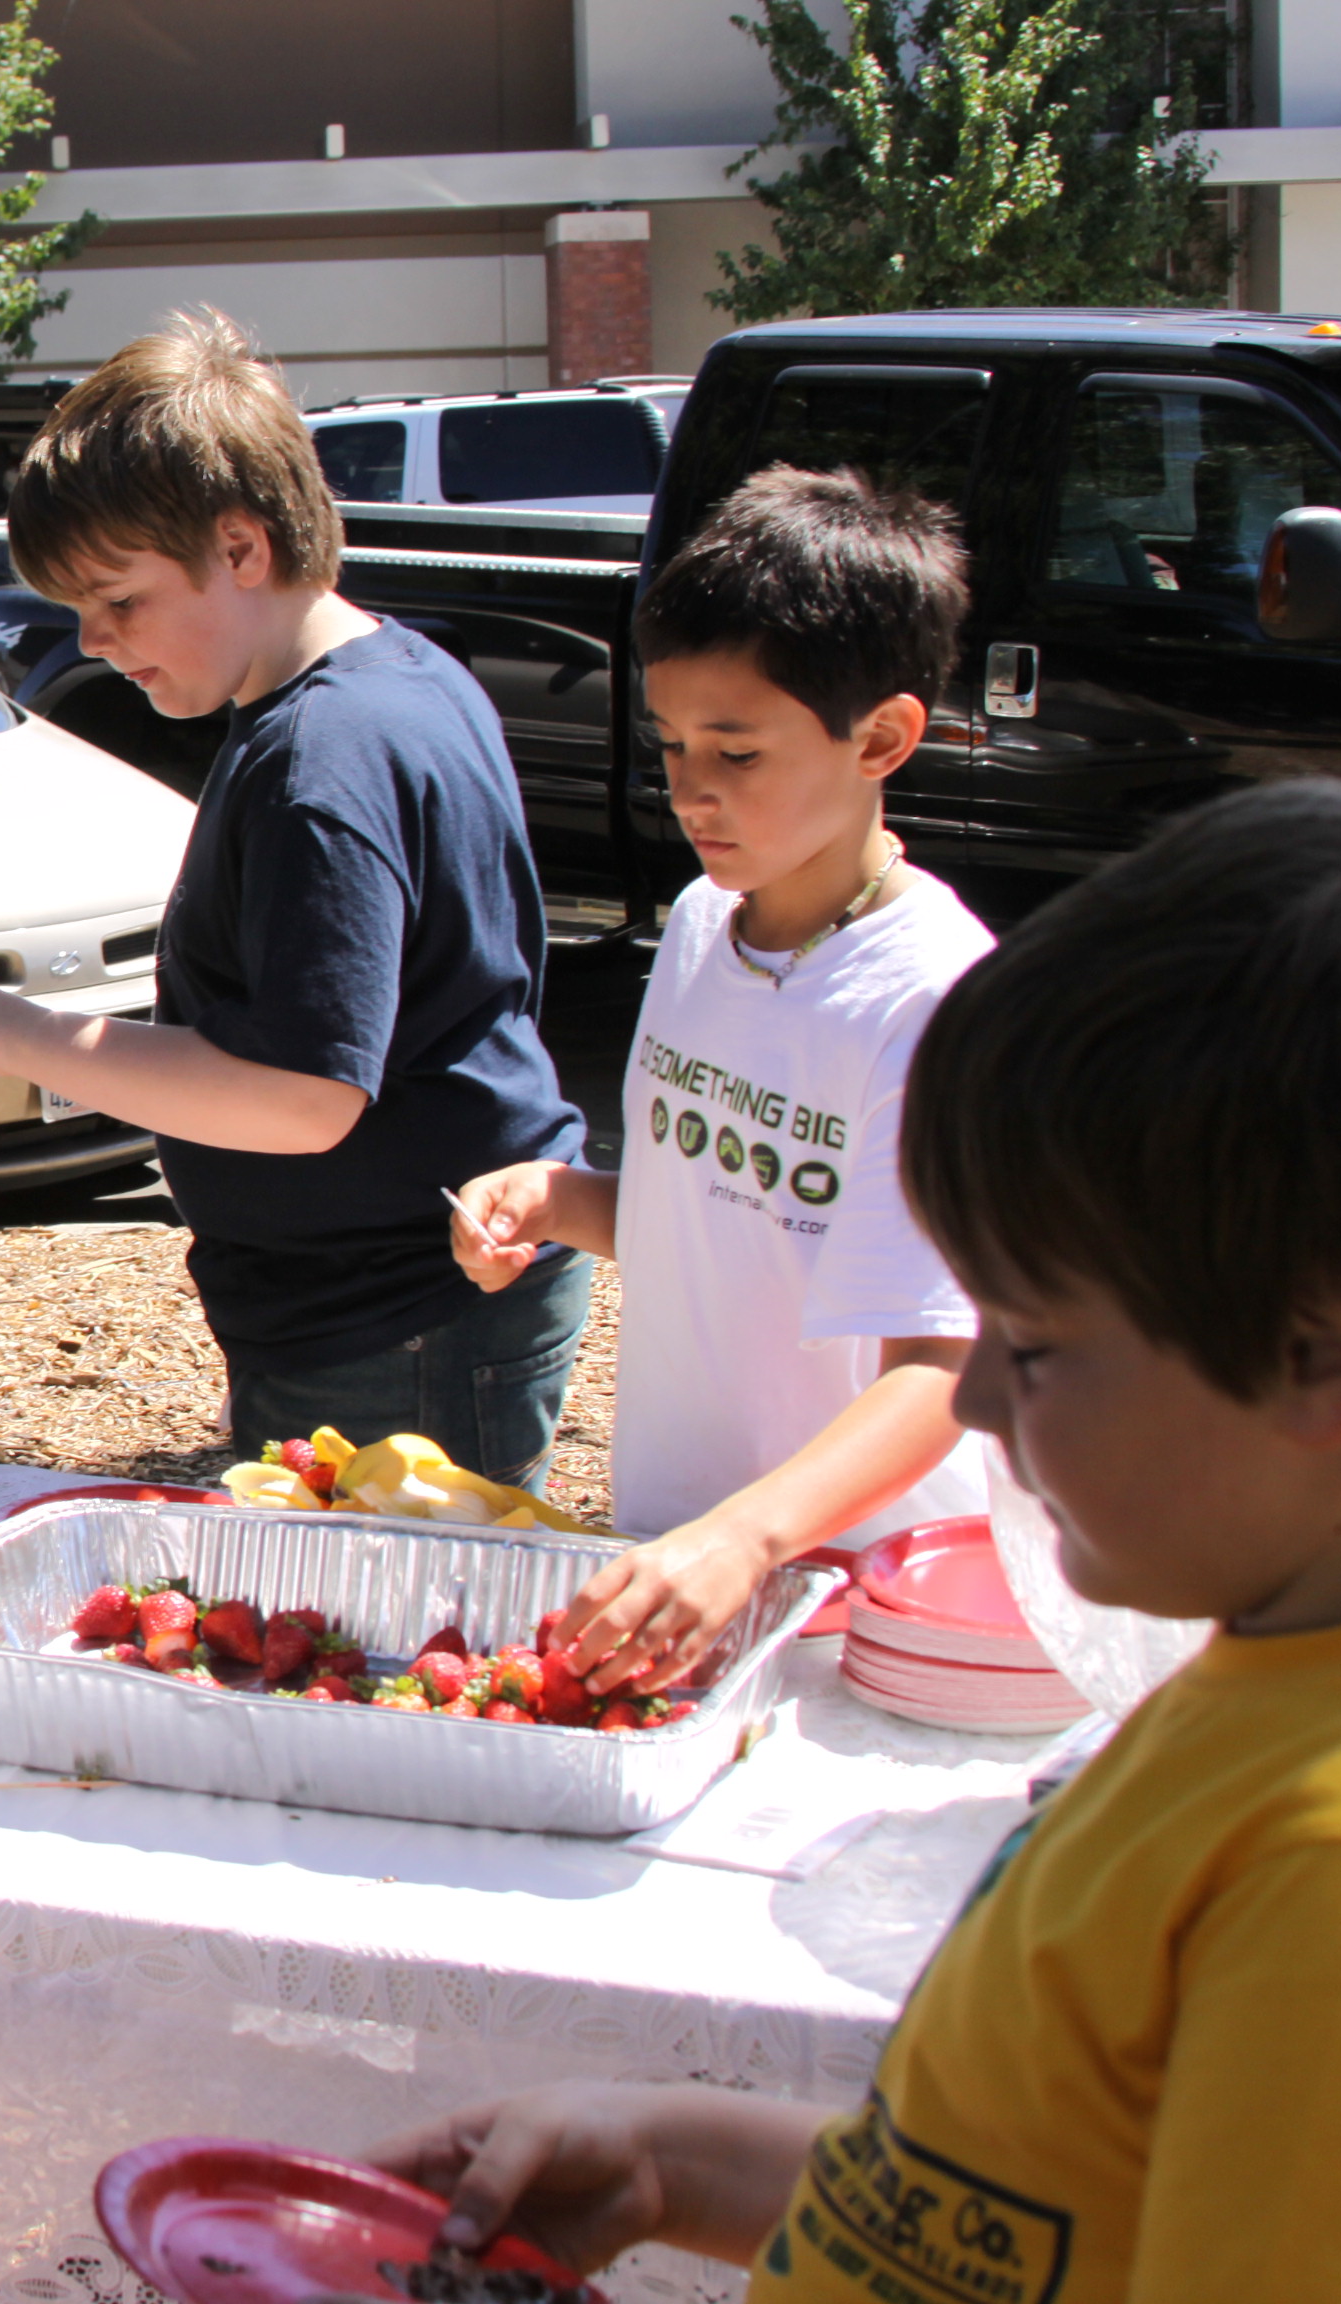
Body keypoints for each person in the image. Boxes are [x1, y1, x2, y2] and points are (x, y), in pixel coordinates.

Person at [369, 781, 1341, 2303]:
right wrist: (665, 2162)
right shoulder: (1296, 1665)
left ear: (1317, 1359)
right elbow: (1039, 2198)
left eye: (1035, 1344)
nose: (973, 1392)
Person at [0, 314, 586, 1482]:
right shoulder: (398, 675)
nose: (94, 643)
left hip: (398, 1314)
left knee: (380, 1641)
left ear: (242, 546)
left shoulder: (324, 763)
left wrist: (13, 1030)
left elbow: (305, 1098)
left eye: (120, 601)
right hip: (414, 1294)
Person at [443, 467, 991, 1696]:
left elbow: (943, 1370)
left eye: (738, 751)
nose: (691, 789)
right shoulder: (701, 922)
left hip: (866, 1598)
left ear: (885, 738)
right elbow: (717, 1211)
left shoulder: (939, 1000)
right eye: (676, 744)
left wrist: (749, 1535)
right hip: (678, 1556)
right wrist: (557, 1198)